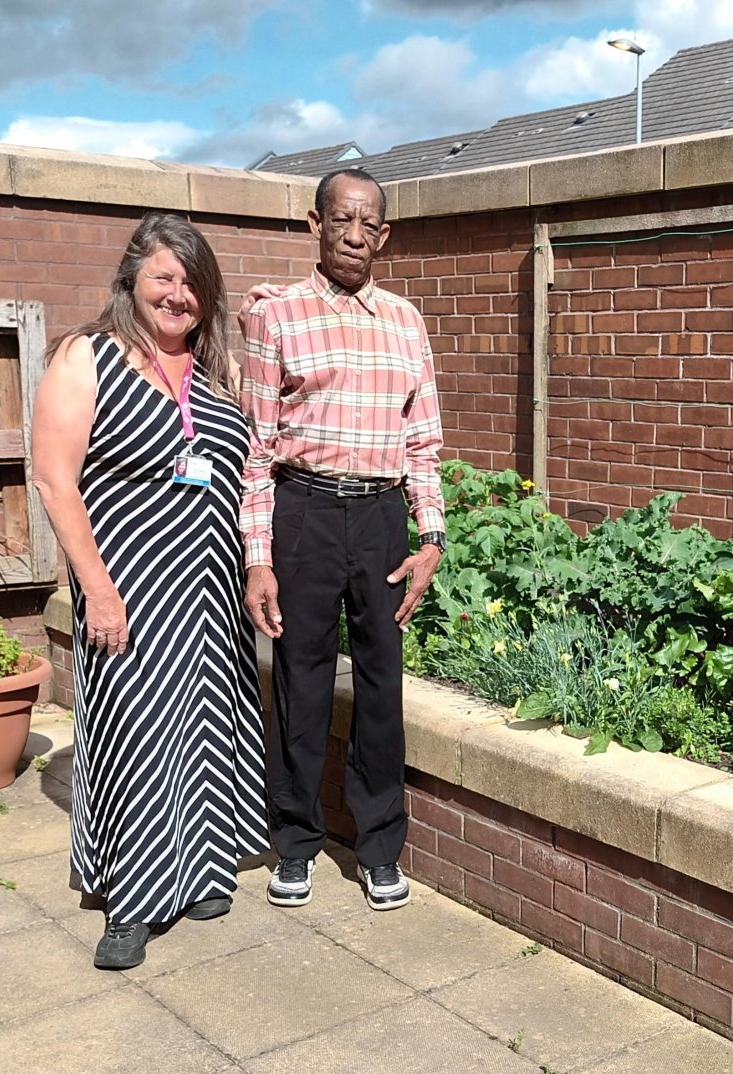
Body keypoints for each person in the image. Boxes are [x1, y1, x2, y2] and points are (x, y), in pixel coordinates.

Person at [31, 213, 268, 969]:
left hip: (211, 594)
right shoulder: (88, 355)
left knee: (205, 731)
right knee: (136, 740)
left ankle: (201, 872)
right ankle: (131, 900)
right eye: (165, 276)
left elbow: (247, 473)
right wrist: (96, 589)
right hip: (128, 589)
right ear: (133, 277)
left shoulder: (213, 373)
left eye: (193, 283)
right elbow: (54, 480)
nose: (178, 294)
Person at [239, 168, 445, 913]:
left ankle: (380, 847)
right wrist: (259, 557)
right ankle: (296, 842)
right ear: (315, 225)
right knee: (301, 681)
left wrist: (431, 537)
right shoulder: (276, 316)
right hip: (305, 513)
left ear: (383, 235)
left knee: (383, 684)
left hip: (383, 517)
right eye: (340, 220)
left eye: (368, 224)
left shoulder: (407, 321)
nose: (354, 236)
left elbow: (422, 442)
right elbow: (256, 449)